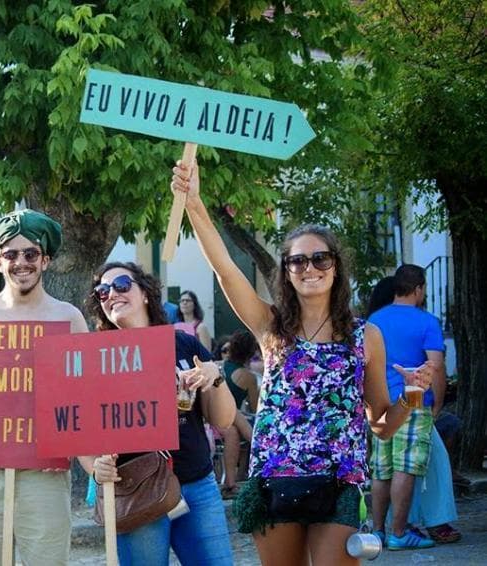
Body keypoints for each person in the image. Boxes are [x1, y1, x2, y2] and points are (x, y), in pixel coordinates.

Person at [171, 160, 432, 566]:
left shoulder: (367, 336)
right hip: (276, 479)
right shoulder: (271, 326)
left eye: (320, 259)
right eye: (297, 261)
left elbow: (381, 425)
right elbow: (224, 268)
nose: (309, 268)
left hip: (339, 484)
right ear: (287, 272)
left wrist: (414, 393)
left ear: (335, 268)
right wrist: (194, 203)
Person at [0, 208, 89, 566]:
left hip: (44, 474)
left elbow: (85, 396)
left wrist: (72, 444)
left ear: (45, 260)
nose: (21, 262)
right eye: (11, 254)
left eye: (30, 254)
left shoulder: (68, 317)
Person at [82, 262, 236, 566]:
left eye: (122, 285)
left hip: (196, 484)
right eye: (102, 291)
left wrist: (214, 376)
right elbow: (78, 428)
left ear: (146, 294)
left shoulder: (183, 344)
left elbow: (224, 420)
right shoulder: (95, 358)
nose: (111, 293)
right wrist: (93, 468)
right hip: (135, 491)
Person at [368, 265, 450, 550]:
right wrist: (437, 403)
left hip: (379, 402)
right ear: (419, 289)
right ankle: (399, 533)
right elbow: (435, 368)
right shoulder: (426, 321)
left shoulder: (374, 320)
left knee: (382, 469)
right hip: (413, 398)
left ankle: (377, 531)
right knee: (406, 468)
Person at [217, 329, 260, 499]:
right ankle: (261, 449)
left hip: (221, 419)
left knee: (236, 427)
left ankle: (235, 479)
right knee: (252, 427)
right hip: (223, 416)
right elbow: (257, 410)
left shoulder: (221, 366)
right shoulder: (247, 376)